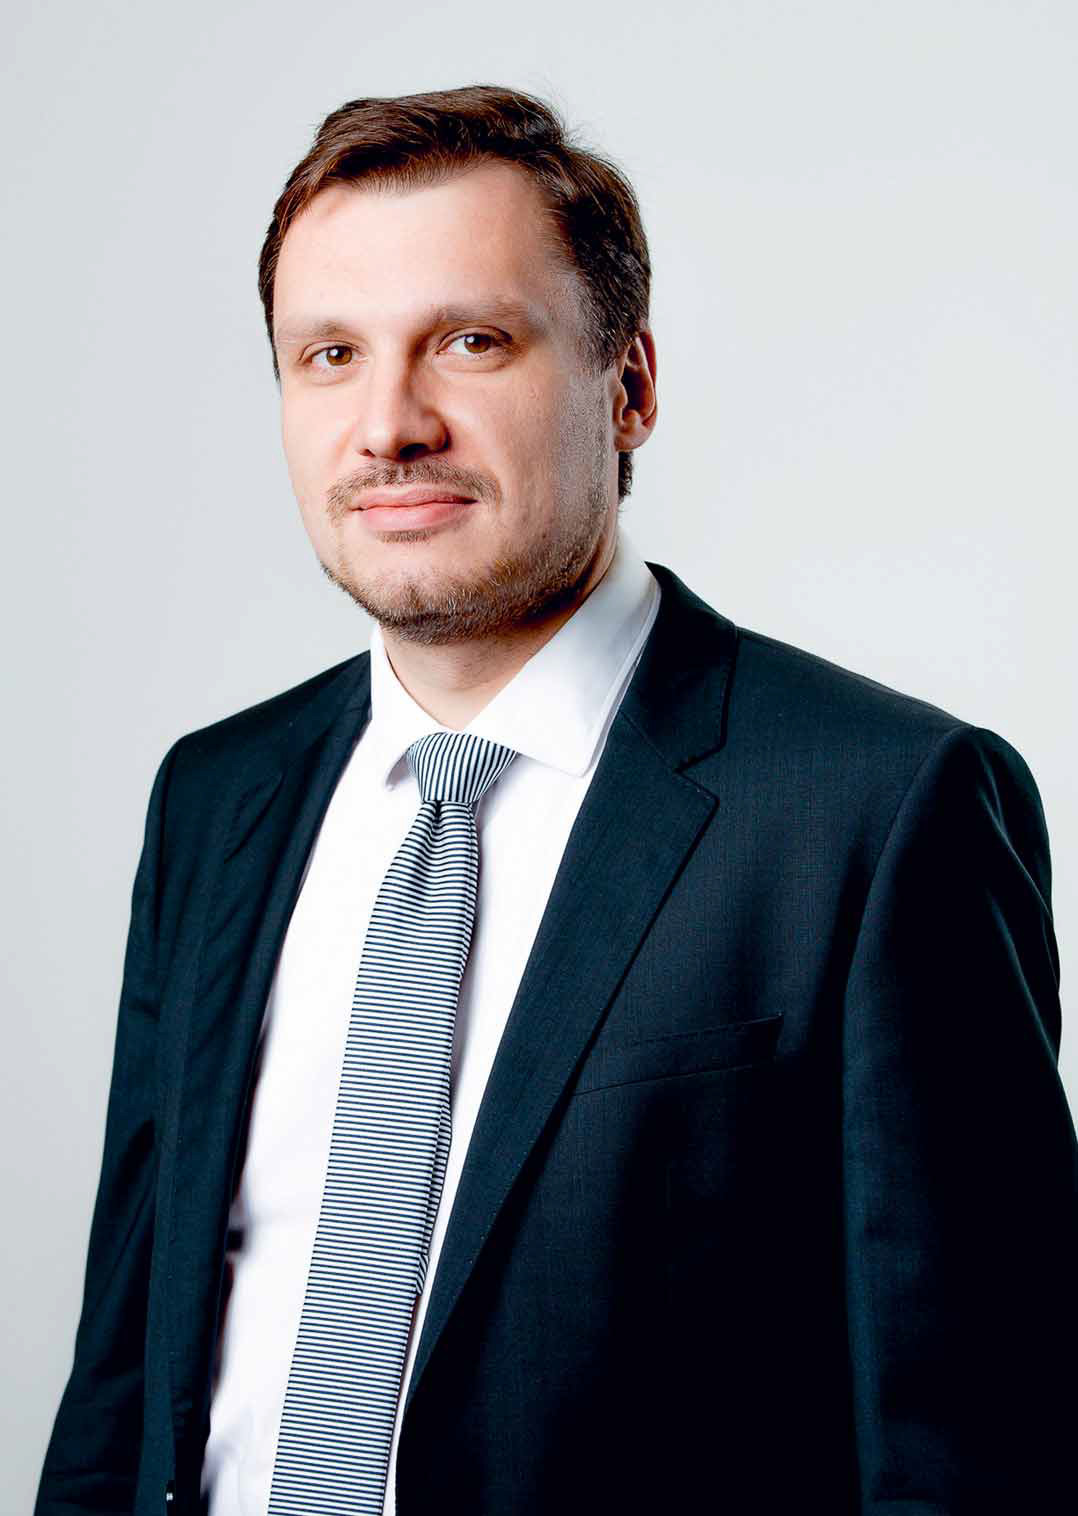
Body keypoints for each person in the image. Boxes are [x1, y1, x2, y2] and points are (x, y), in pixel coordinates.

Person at [35, 84, 1076, 1516]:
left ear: (627, 384)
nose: (389, 425)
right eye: (329, 355)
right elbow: (119, 1383)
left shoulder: (878, 812)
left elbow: (979, 1456)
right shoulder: (216, 802)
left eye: (471, 341)